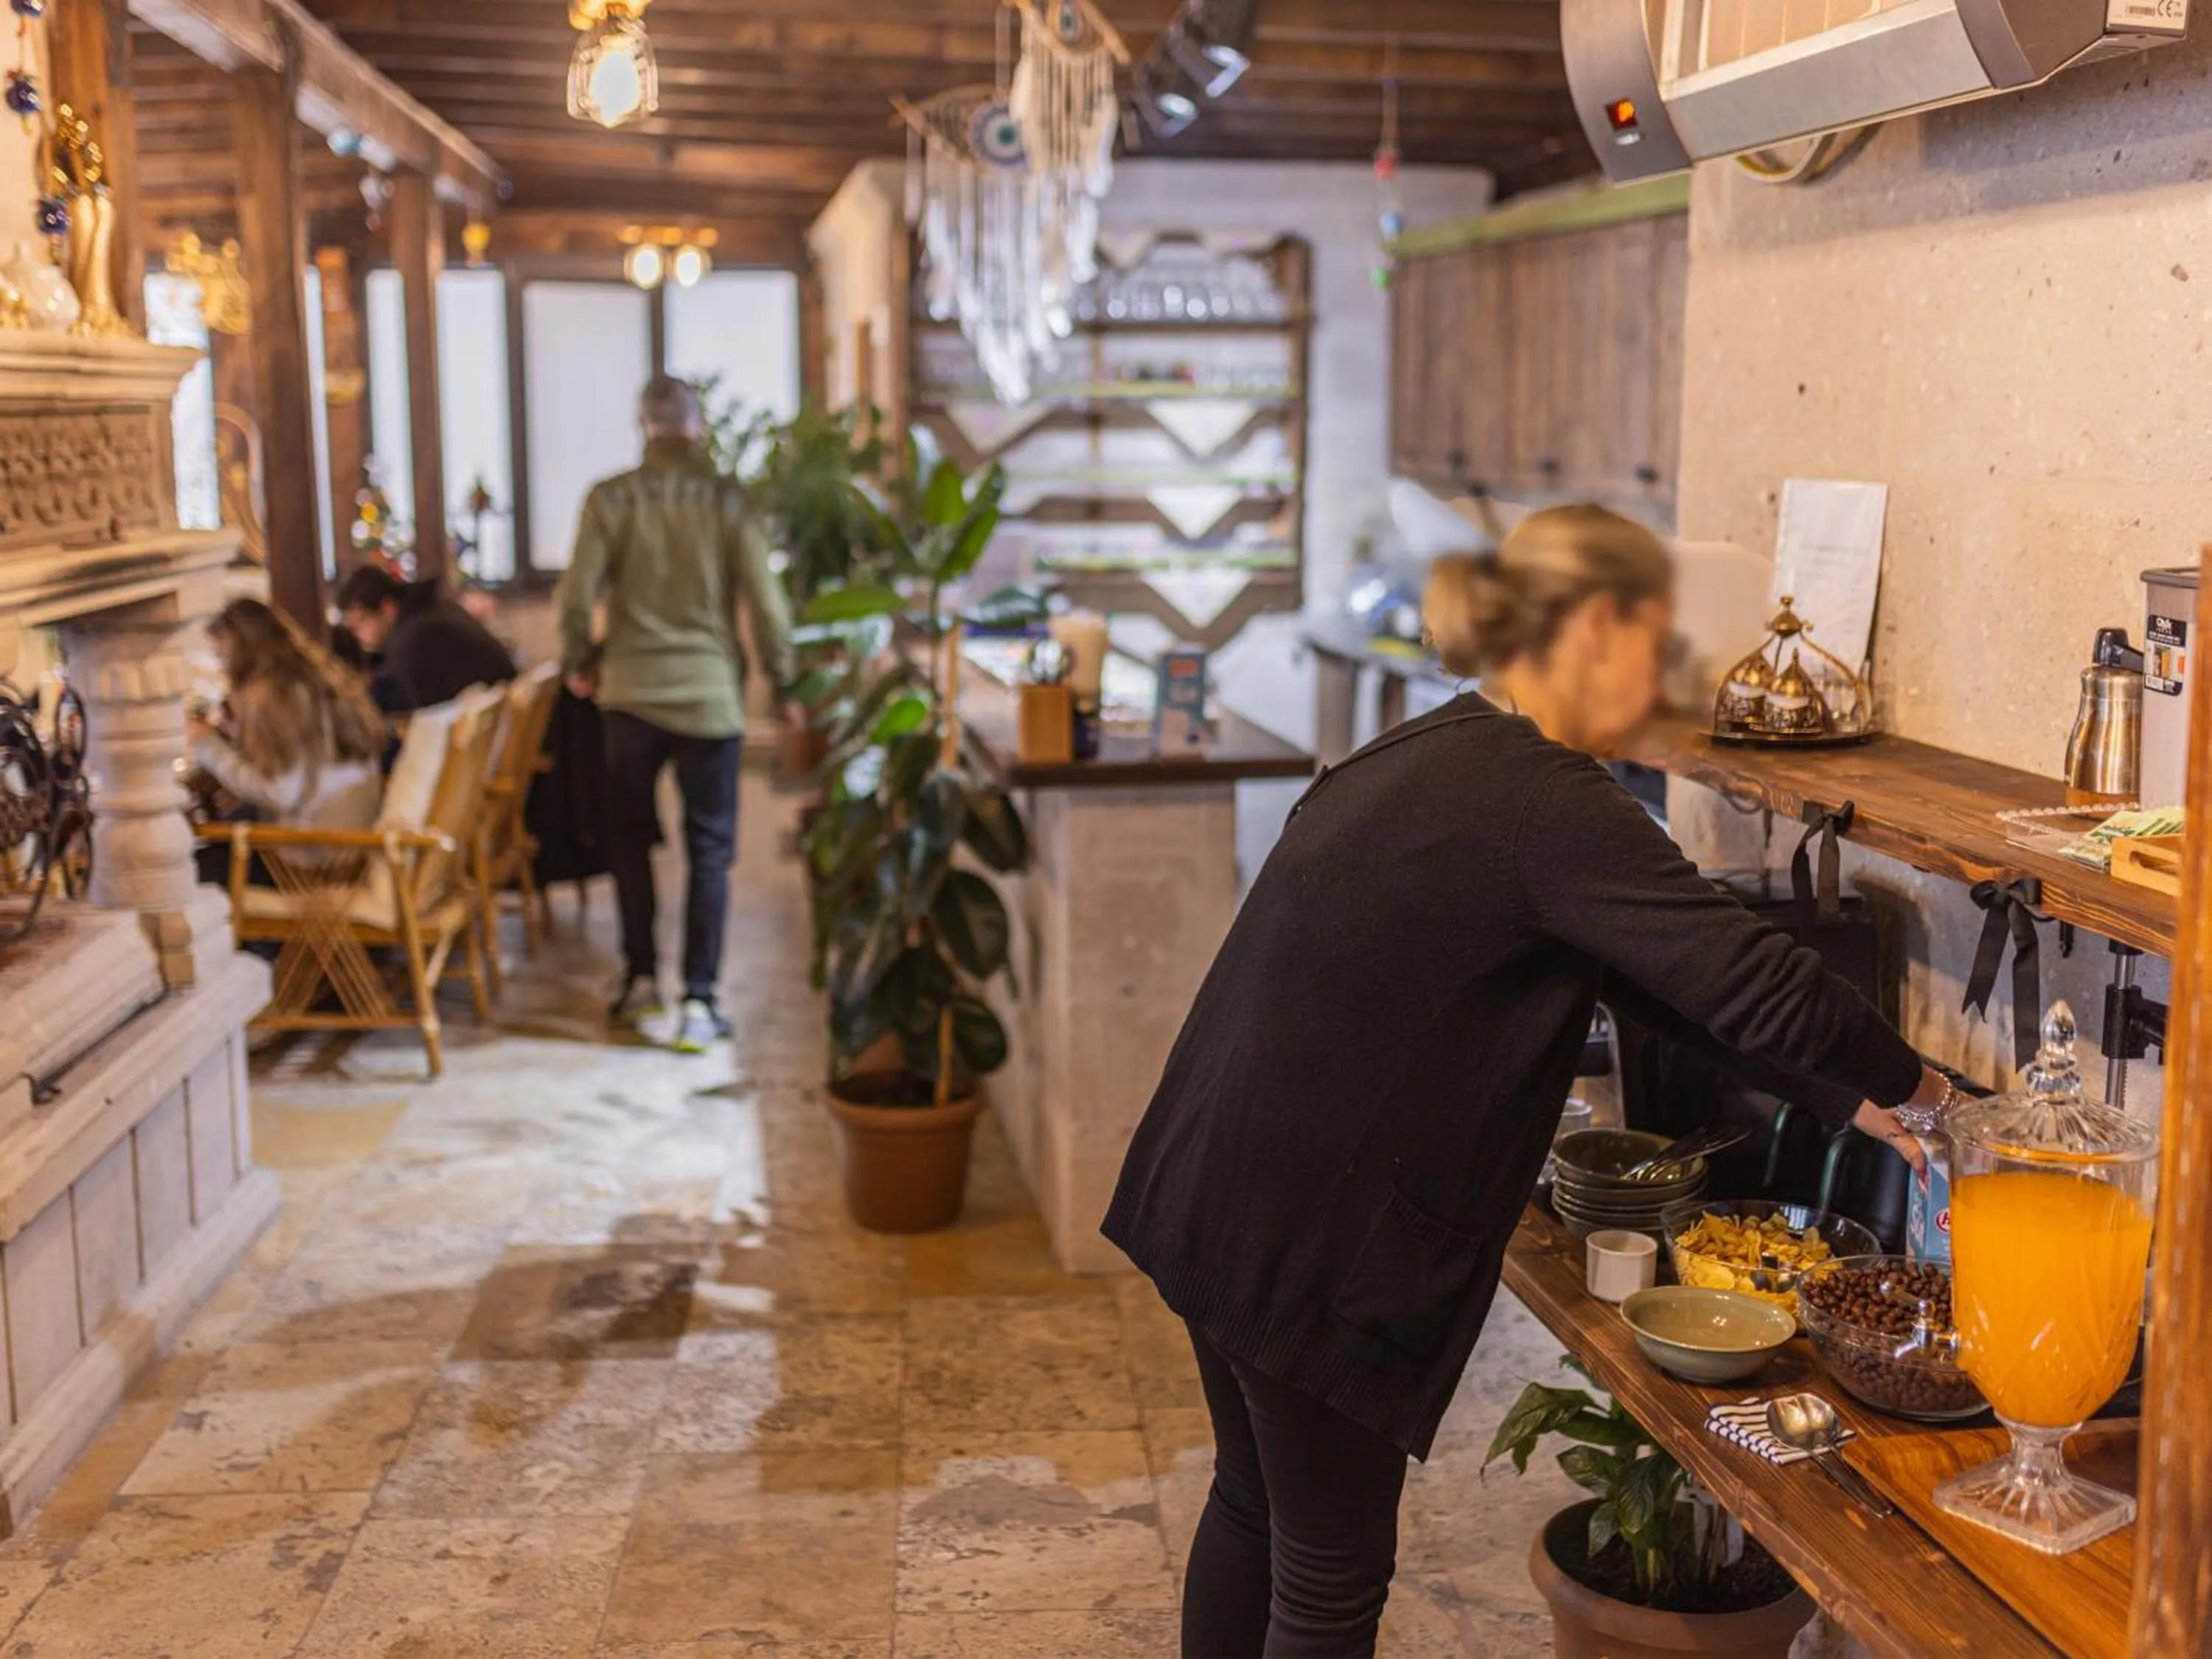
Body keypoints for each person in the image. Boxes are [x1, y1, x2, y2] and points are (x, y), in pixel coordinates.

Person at [1102, 505, 1952, 1659]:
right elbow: (1751, 975)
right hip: (1309, 1231)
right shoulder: (1549, 799)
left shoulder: (1440, 747)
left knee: (1255, 1504)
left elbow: (1671, 985)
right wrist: (1938, 1099)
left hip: (1211, 1186)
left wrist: (1867, 1106)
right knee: (1330, 1569)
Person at [554, 375, 799, 1054]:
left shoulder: (610, 499)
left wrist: (580, 658)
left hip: (628, 694)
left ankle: (639, 980)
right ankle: (699, 999)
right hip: (709, 696)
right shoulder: (730, 501)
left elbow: (576, 596)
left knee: (628, 841)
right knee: (710, 852)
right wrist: (785, 684)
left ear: (643, 426)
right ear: (698, 429)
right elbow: (767, 602)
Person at [189, 598, 387, 886]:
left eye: (221, 659)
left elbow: (279, 792)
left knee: (185, 871)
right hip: (353, 841)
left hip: (313, 859)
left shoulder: (271, 696)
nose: (222, 669)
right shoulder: (314, 677)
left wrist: (206, 744)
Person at [335, 564, 516, 712]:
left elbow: (423, 714)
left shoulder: (411, 640)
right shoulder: (435, 610)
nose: (358, 635)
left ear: (387, 609)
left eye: (361, 622)